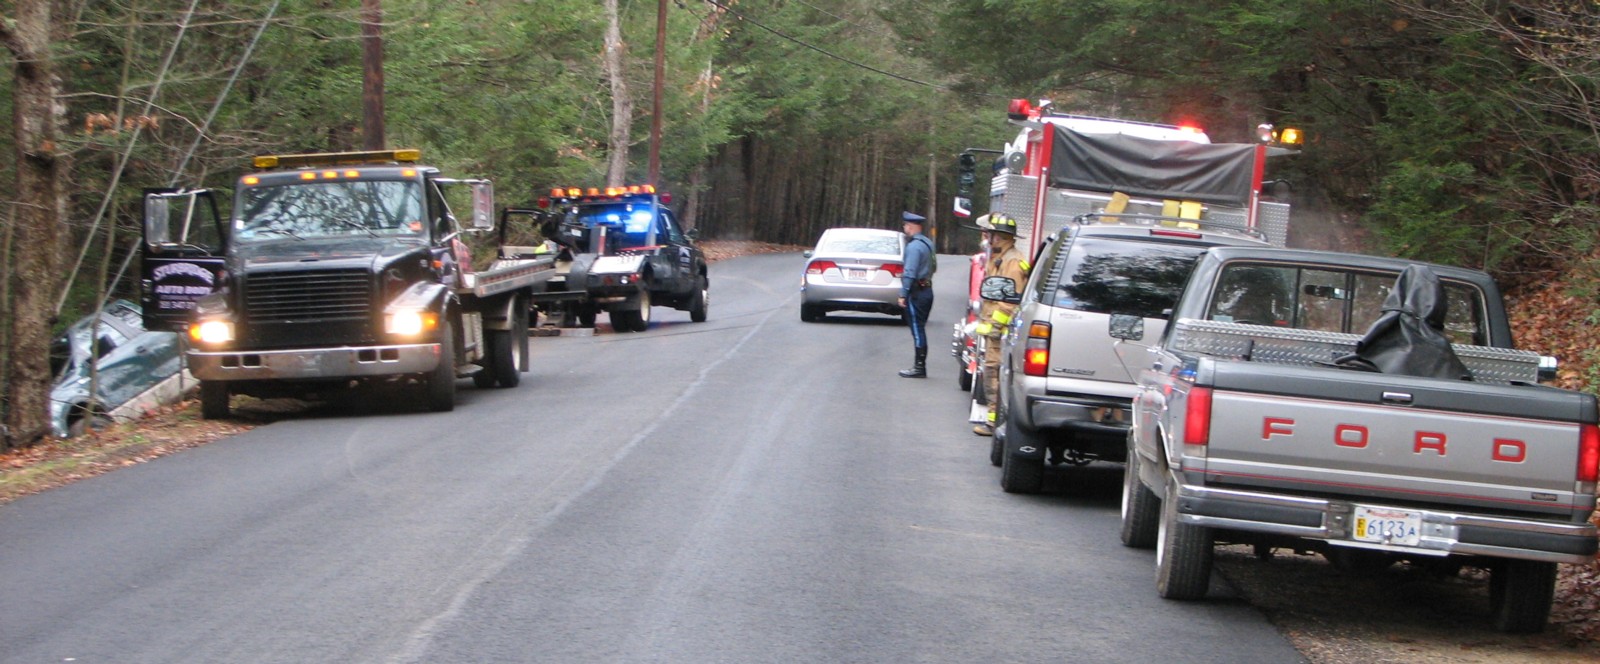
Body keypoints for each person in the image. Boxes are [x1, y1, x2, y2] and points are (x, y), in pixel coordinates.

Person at [972, 214, 1029, 435]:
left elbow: (1009, 300)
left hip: (1001, 333)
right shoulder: (1000, 257)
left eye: (990, 235)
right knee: (991, 372)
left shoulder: (1012, 262)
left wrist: (996, 326)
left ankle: (994, 422)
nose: (987, 239)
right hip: (995, 330)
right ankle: (993, 419)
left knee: (994, 374)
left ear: (1000, 237)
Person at [898, 211, 935, 378]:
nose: (904, 228)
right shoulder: (928, 243)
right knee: (920, 327)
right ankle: (919, 365)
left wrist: (903, 293)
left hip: (917, 292)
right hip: (927, 289)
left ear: (911, 226)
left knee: (917, 330)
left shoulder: (913, 247)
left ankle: (919, 367)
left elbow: (909, 272)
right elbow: (934, 267)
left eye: (905, 225)